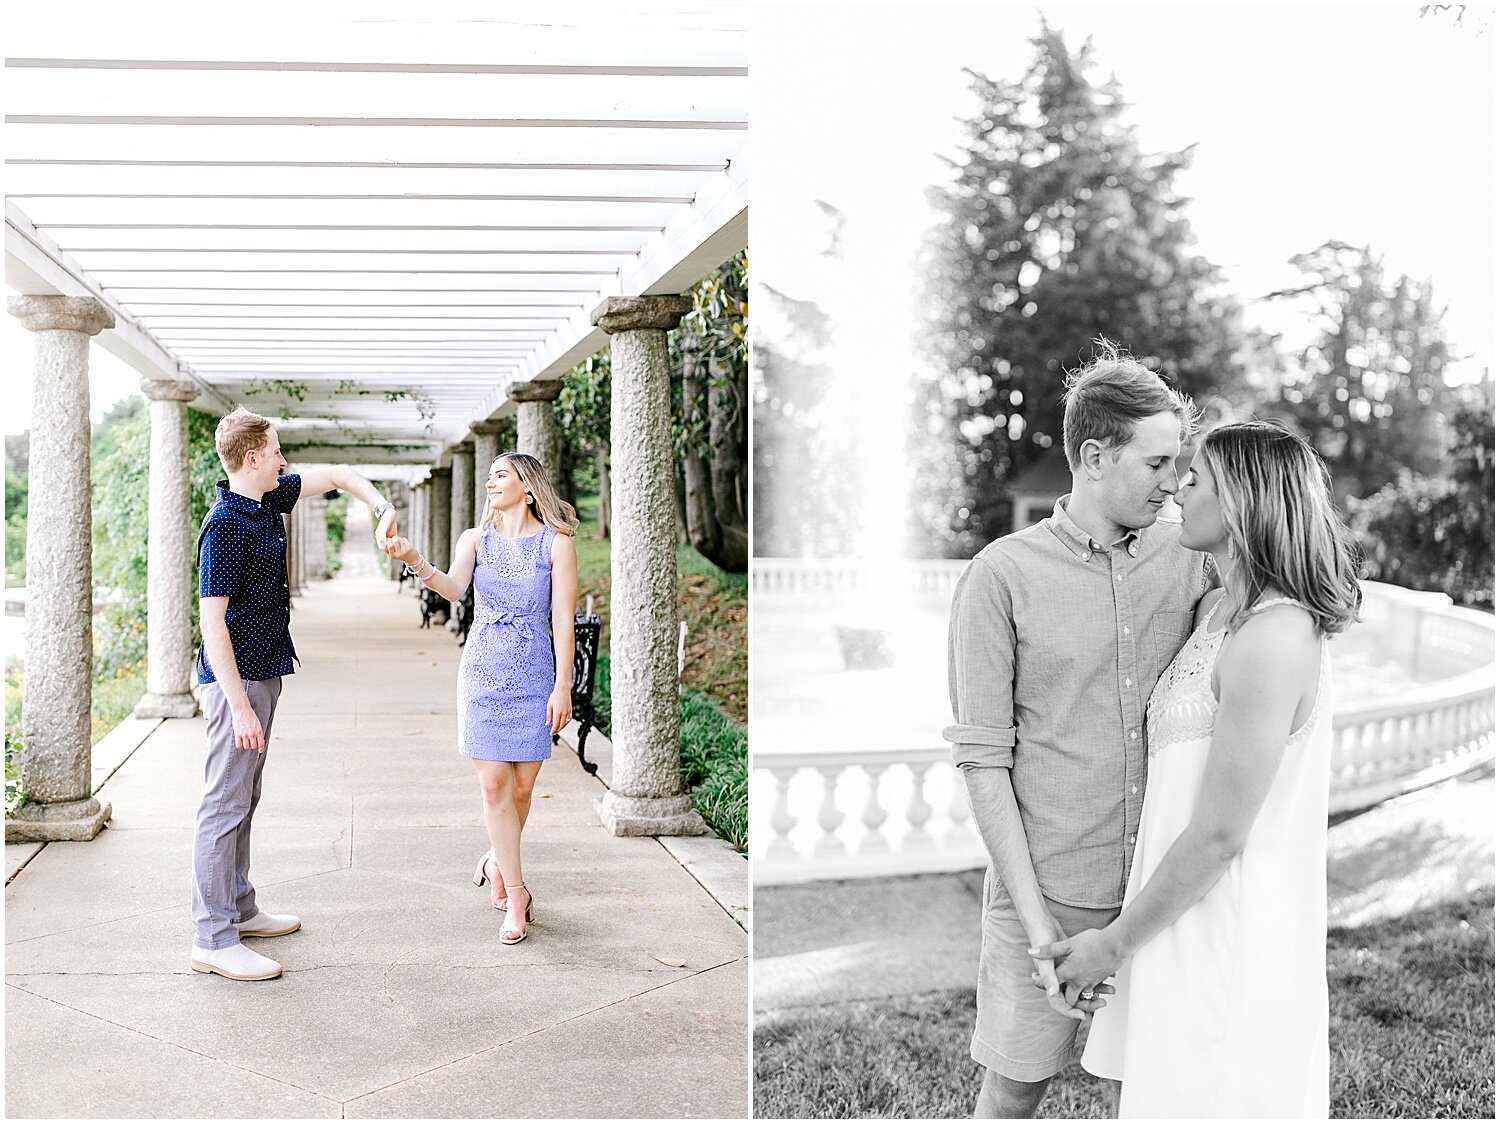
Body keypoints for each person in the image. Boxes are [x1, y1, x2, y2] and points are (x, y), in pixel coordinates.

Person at [1033, 422, 1360, 1118]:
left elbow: (1219, 834)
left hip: (1230, 942)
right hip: (1179, 924)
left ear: (1242, 502)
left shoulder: (1274, 637)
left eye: (1197, 477)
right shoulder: (1216, 610)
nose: (1178, 486)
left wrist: (1112, 945)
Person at [944, 341, 1217, 1118]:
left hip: (1160, 896)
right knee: (1014, 1092)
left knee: (1154, 1093)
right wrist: (1038, 934)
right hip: (1050, 897)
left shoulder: (1193, 556)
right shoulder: (999, 578)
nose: (1175, 486)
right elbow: (985, 761)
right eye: (1158, 464)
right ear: (1095, 457)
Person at [190, 407, 398, 982]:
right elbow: (212, 626)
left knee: (244, 797)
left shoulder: (269, 499)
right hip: (238, 681)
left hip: (265, 672)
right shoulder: (225, 525)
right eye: (277, 450)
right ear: (252, 457)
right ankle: (212, 937)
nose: (285, 460)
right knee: (223, 803)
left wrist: (381, 509)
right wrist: (236, 704)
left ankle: (240, 909)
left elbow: (335, 475)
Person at [383, 452, 578, 945]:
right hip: (483, 671)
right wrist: (414, 560)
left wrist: (563, 686)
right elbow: (452, 588)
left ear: (527, 487)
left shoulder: (556, 545)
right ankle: (516, 893)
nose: (491, 482)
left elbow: (562, 620)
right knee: (494, 786)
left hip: (534, 674)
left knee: (521, 790)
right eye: (488, 475)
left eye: (501, 475)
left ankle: (496, 856)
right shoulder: (476, 540)